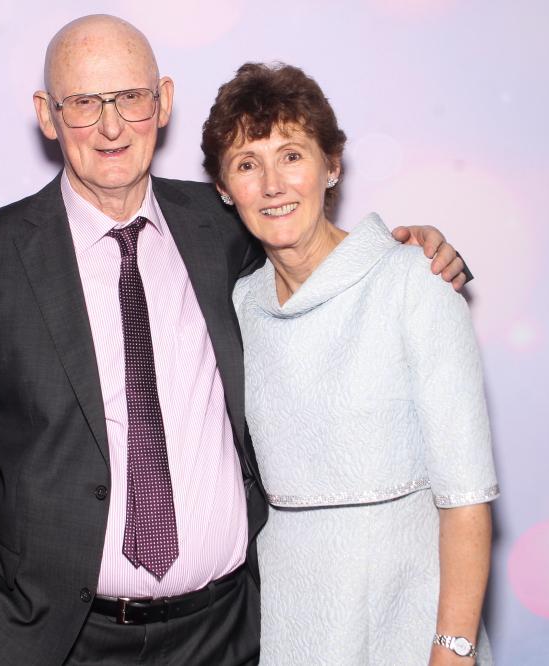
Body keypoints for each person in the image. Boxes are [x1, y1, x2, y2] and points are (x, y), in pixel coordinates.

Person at [0, 15, 469, 666]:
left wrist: (411, 251)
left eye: (131, 97)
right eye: (85, 103)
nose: (112, 126)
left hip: (229, 633)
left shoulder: (225, 223)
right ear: (47, 114)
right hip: (55, 641)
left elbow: (318, 258)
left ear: (163, 101)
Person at [201, 62, 499, 665]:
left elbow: (467, 496)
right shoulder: (238, 305)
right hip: (290, 619)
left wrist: (454, 647)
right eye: (247, 164)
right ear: (225, 190)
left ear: (331, 165)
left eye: (291, 155)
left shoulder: (414, 279)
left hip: (409, 610)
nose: (273, 184)